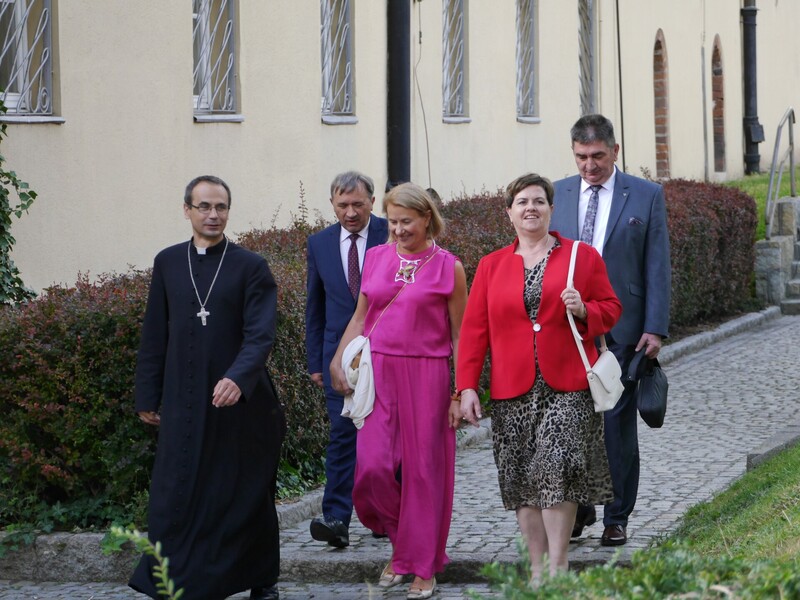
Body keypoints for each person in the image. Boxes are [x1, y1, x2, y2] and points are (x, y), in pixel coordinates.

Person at [457, 173, 621, 583]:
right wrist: (467, 387)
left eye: (538, 201)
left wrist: (584, 309)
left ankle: (558, 565)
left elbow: (611, 308)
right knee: (521, 476)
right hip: (512, 388)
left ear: (551, 209)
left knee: (556, 465)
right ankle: (536, 567)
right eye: (522, 202)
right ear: (509, 213)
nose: (530, 208)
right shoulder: (491, 266)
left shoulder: (582, 256)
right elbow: (474, 332)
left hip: (568, 385)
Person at [130, 176, 285, 600]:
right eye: (204, 206)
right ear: (187, 210)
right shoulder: (168, 262)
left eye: (220, 207)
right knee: (175, 492)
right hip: (183, 401)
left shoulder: (251, 266)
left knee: (242, 494)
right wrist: (147, 394)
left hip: (241, 405)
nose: (213, 215)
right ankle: (175, 581)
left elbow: (261, 335)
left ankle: (260, 579)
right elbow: (155, 334)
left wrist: (238, 377)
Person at [331, 183, 467, 600]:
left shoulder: (449, 267)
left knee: (424, 473)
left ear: (427, 218)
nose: (398, 230)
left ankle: (422, 566)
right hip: (378, 373)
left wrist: (460, 392)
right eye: (392, 222)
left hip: (427, 375)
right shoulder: (376, 257)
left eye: (406, 221)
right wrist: (337, 359)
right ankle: (403, 545)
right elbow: (360, 317)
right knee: (372, 469)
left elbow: (460, 336)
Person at [551, 114, 671, 547]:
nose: (589, 165)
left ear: (615, 151)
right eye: (581, 157)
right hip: (566, 330)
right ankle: (578, 508)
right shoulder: (557, 193)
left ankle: (615, 516)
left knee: (617, 427)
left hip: (624, 329)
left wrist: (655, 328)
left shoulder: (645, 195)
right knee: (569, 424)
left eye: (598, 156)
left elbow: (657, 264)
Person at [305, 171, 388, 548]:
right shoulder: (319, 243)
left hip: (387, 352)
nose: (350, 213)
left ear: (372, 202)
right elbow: (315, 307)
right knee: (341, 437)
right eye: (342, 205)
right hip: (339, 360)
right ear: (332, 205)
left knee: (385, 438)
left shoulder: (392, 232)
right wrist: (316, 363)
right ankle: (335, 518)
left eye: (358, 204)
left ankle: (384, 515)